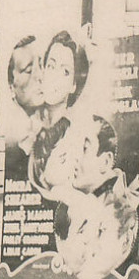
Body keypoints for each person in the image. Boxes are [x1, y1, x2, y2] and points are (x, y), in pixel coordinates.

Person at [34, 115, 139, 279]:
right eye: (73, 147)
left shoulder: (122, 211)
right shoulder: (65, 202)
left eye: (84, 148)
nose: (74, 157)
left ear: (105, 162)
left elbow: (92, 276)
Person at [28, 31, 92, 184]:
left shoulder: (76, 138)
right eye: (51, 66)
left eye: (65, 72)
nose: (54, 77)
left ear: (74, 85)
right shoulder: (28, 130)